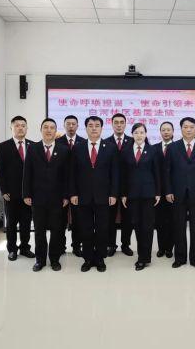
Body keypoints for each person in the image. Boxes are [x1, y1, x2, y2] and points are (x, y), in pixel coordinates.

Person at [70, 116, 119, 272]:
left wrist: (113, 194)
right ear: (85, 128)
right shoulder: (78, 148)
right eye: (90, 125)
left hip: (104, 196)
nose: (94, 128)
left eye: (97, 125)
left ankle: (100, 258)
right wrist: (73, 193)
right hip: (82, 196)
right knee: (85, 229)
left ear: (101, 128)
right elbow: (72, 173)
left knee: (102, 229)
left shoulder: (110, 147)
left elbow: (115, 173)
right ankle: (88, 258)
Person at [165, 117, 195, 270]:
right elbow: (167, 171)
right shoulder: (172, 148)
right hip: (177, 193)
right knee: (178, 226)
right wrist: (168, 190)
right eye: (185, 127)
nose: (188, 129)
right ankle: (179, 258)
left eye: (191, 127)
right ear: (181, 129)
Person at [22, 118, 70, 272]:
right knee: (39, 231)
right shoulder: (33, 148)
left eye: (52, 127)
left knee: (57, 230)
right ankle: (40, 260)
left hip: (58, 198)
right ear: (41, 130)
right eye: (46, 127)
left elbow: (67, 175)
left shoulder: (64, 150)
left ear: (56, 131)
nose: (49, 130)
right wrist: (26, 194)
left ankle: (55, 259)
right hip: (38, 198)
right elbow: (27, 173)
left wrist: (66, 196)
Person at [120, 123, 161, 271]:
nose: (139, 135)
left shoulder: (153, 150)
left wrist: (158, 192)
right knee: (137, 225)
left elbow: (157, 173)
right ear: (132, 134)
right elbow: (123, 174)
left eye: (142, 132)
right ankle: (141, 255)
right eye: (136, 132)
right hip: (132, 194)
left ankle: (144, 258)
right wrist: (123, 194)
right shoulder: (126, 151)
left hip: (149, 194)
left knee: (147, 227)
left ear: (146, 134)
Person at [0, 116, 36, 261]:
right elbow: (0, 170)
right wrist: (4, 190)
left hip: (28, 194)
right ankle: (12, 249)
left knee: (26, 223)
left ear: (27, 128)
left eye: (23, 125)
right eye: (17, 125)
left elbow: (35, 171)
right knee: (11, 223)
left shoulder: (33, 146)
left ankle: (25, 247)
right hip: (11, 193)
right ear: (11, 128)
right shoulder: (3, 146)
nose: (20, 128)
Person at [56, 115, 86, 257]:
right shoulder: (57, 142)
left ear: (78, 126)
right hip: (60, 187)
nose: (71, 126)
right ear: (64, 125)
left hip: (78, 188)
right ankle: (61, 246)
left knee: (78, 220)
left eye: (74, 124)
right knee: (60, 220)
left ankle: (76, 246)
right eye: (68, 124)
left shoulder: (84, 142)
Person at [104, 113, 133, 257]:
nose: (119, 125)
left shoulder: (133, 141)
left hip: (129, 185)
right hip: (110, 186)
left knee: (128, 218)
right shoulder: (105, 142)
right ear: (112, 124)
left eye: (122, 122)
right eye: (116, 122)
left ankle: (125, 244)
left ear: (125, 124)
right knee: (110, 217)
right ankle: (111, 244)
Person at [153, 121, 175, 258]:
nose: (166, 132)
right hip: (158, 191)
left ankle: (169, 248)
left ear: (173, 131)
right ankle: (161, 247)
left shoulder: (178, 147)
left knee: (172, 220)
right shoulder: (154, 148)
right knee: (160, 221)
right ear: (160, 132)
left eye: (168, 130)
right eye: (163, 130)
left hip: (173, 190)